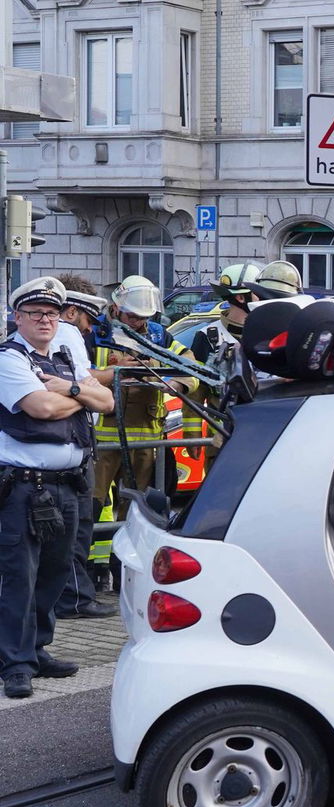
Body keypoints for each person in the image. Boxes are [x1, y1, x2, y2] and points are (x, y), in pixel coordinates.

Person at [0, 281, 115, 698]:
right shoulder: (9, 360)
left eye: (51, 314)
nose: (45, 320)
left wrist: (68, 389)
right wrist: (82, 396)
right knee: (19, 576)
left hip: (69, 484)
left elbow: (108, 403)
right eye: (35, 313)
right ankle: (14, 663)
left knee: (52, 574)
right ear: (19, 318)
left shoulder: (64, 358)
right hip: (24, 488)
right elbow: (40, 408)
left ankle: (36, 649)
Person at [90, 275, 194, 526]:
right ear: (116, 307)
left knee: (138, 513)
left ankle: (123, 562)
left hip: (146, 440)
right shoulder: (94, 333)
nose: (138, 323)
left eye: (144, 318)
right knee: (93, 505)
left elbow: (189, 362)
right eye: (133, 317)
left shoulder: (159, 336)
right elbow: (78, 375)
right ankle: (94, 564)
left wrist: (177, 383)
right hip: (102, 441)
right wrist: (115, 372)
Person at [53, 282, 117, 620]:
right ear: (72, 311)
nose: (90, 328)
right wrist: (114, 374)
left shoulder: (57, 334)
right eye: (86, 319)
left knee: (74, 525)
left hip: (72, 438)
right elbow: (89, 388)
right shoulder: (66, 333)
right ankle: (74, 599)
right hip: (75, 438)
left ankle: (72, 597)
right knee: (76, 525)